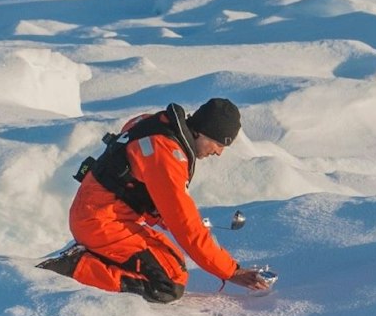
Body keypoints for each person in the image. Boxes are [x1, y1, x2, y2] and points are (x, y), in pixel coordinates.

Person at [38, 97, 272, 301]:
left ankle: (89, 256)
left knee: (174, 263)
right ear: (202, 131)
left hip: (102, 215)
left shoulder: (154, 124)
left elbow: (138, 186)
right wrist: (232, 271)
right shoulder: (167, 155)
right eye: (219, 144)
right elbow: (186, 228)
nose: (219, 152)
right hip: (101, 222)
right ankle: (74, 268)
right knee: (168, 284)